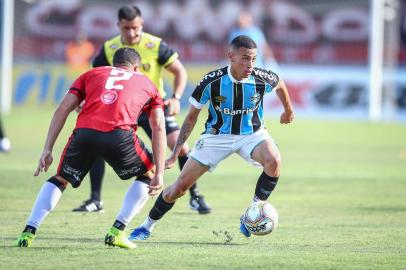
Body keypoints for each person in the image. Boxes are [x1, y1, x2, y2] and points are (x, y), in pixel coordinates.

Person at [129, 35, 294, 241]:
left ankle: (252, 212)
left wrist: (288, 111)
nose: (250, 64)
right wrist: (174, 154)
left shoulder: (262, 77)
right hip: (216, 138)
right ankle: (146, 226)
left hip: (252, 134)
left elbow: (280, 84)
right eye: (244, 58)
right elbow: (190, 119)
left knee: (274, 161)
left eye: (253, 58)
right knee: (179, 188)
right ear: (231, 57)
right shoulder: (211, 81)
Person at [16, 47, 166, 249]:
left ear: (114, 64)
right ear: (137, 67)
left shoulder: (91, 74)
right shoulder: (147, 83)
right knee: (149, 174)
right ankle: (117, 231)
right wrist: (160, 172)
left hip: (84, 134)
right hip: (119, 135)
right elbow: (158, 126)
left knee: (60, 179)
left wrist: (47, 149)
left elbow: (63, 108)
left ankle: (28, 233)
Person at [73, 5, 211, 214]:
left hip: (153, 106)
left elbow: (179, 71)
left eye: (135, 28)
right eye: (127, 28)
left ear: (142, 24)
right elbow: (96, 79)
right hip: (122, 107)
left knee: (180, 146)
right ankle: (95, 200)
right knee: (97, 141)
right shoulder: (110, 48)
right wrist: (87, 100)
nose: (131, 33)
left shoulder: (154, 45)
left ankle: (195, 196)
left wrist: (176, 97)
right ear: (118, 25)